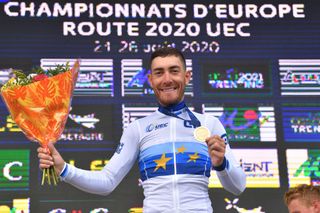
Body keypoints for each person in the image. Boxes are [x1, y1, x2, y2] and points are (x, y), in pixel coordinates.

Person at [38, 47, 246, 213]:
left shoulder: (210, 124)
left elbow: (238, 187)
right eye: (159, 73)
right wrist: (63, 168)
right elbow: (106, 182)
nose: (167, 79)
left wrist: (221, 164)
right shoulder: (138, 128)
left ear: (187, 76)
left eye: (174, 71)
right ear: (151, 80)